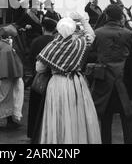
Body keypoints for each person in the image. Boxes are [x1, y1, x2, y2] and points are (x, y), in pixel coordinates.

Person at [36, 13, 101, 144]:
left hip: (57, 83)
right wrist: (83, 20)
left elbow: (39, 69)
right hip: (77, 82)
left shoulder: (51, 47)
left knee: (59, 114)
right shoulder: (80, 43)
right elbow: (92, 35)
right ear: (73, 29)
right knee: (77, 113)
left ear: (58, 29)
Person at [87, 4, 132, 144]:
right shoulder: (128, 33)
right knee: (127, 119)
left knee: (105, 120)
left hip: (103, 80)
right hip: (123, 81)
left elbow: (91, 53)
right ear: (121, 17)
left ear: (106, 16)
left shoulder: (97, 32)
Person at [27, 17, 57, 143]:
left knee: (35, 106)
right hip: (53, 78)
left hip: (38, 78)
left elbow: (30, 60)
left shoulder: (36, 41)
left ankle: (34, 133)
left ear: (43, 28)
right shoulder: (56, 42)